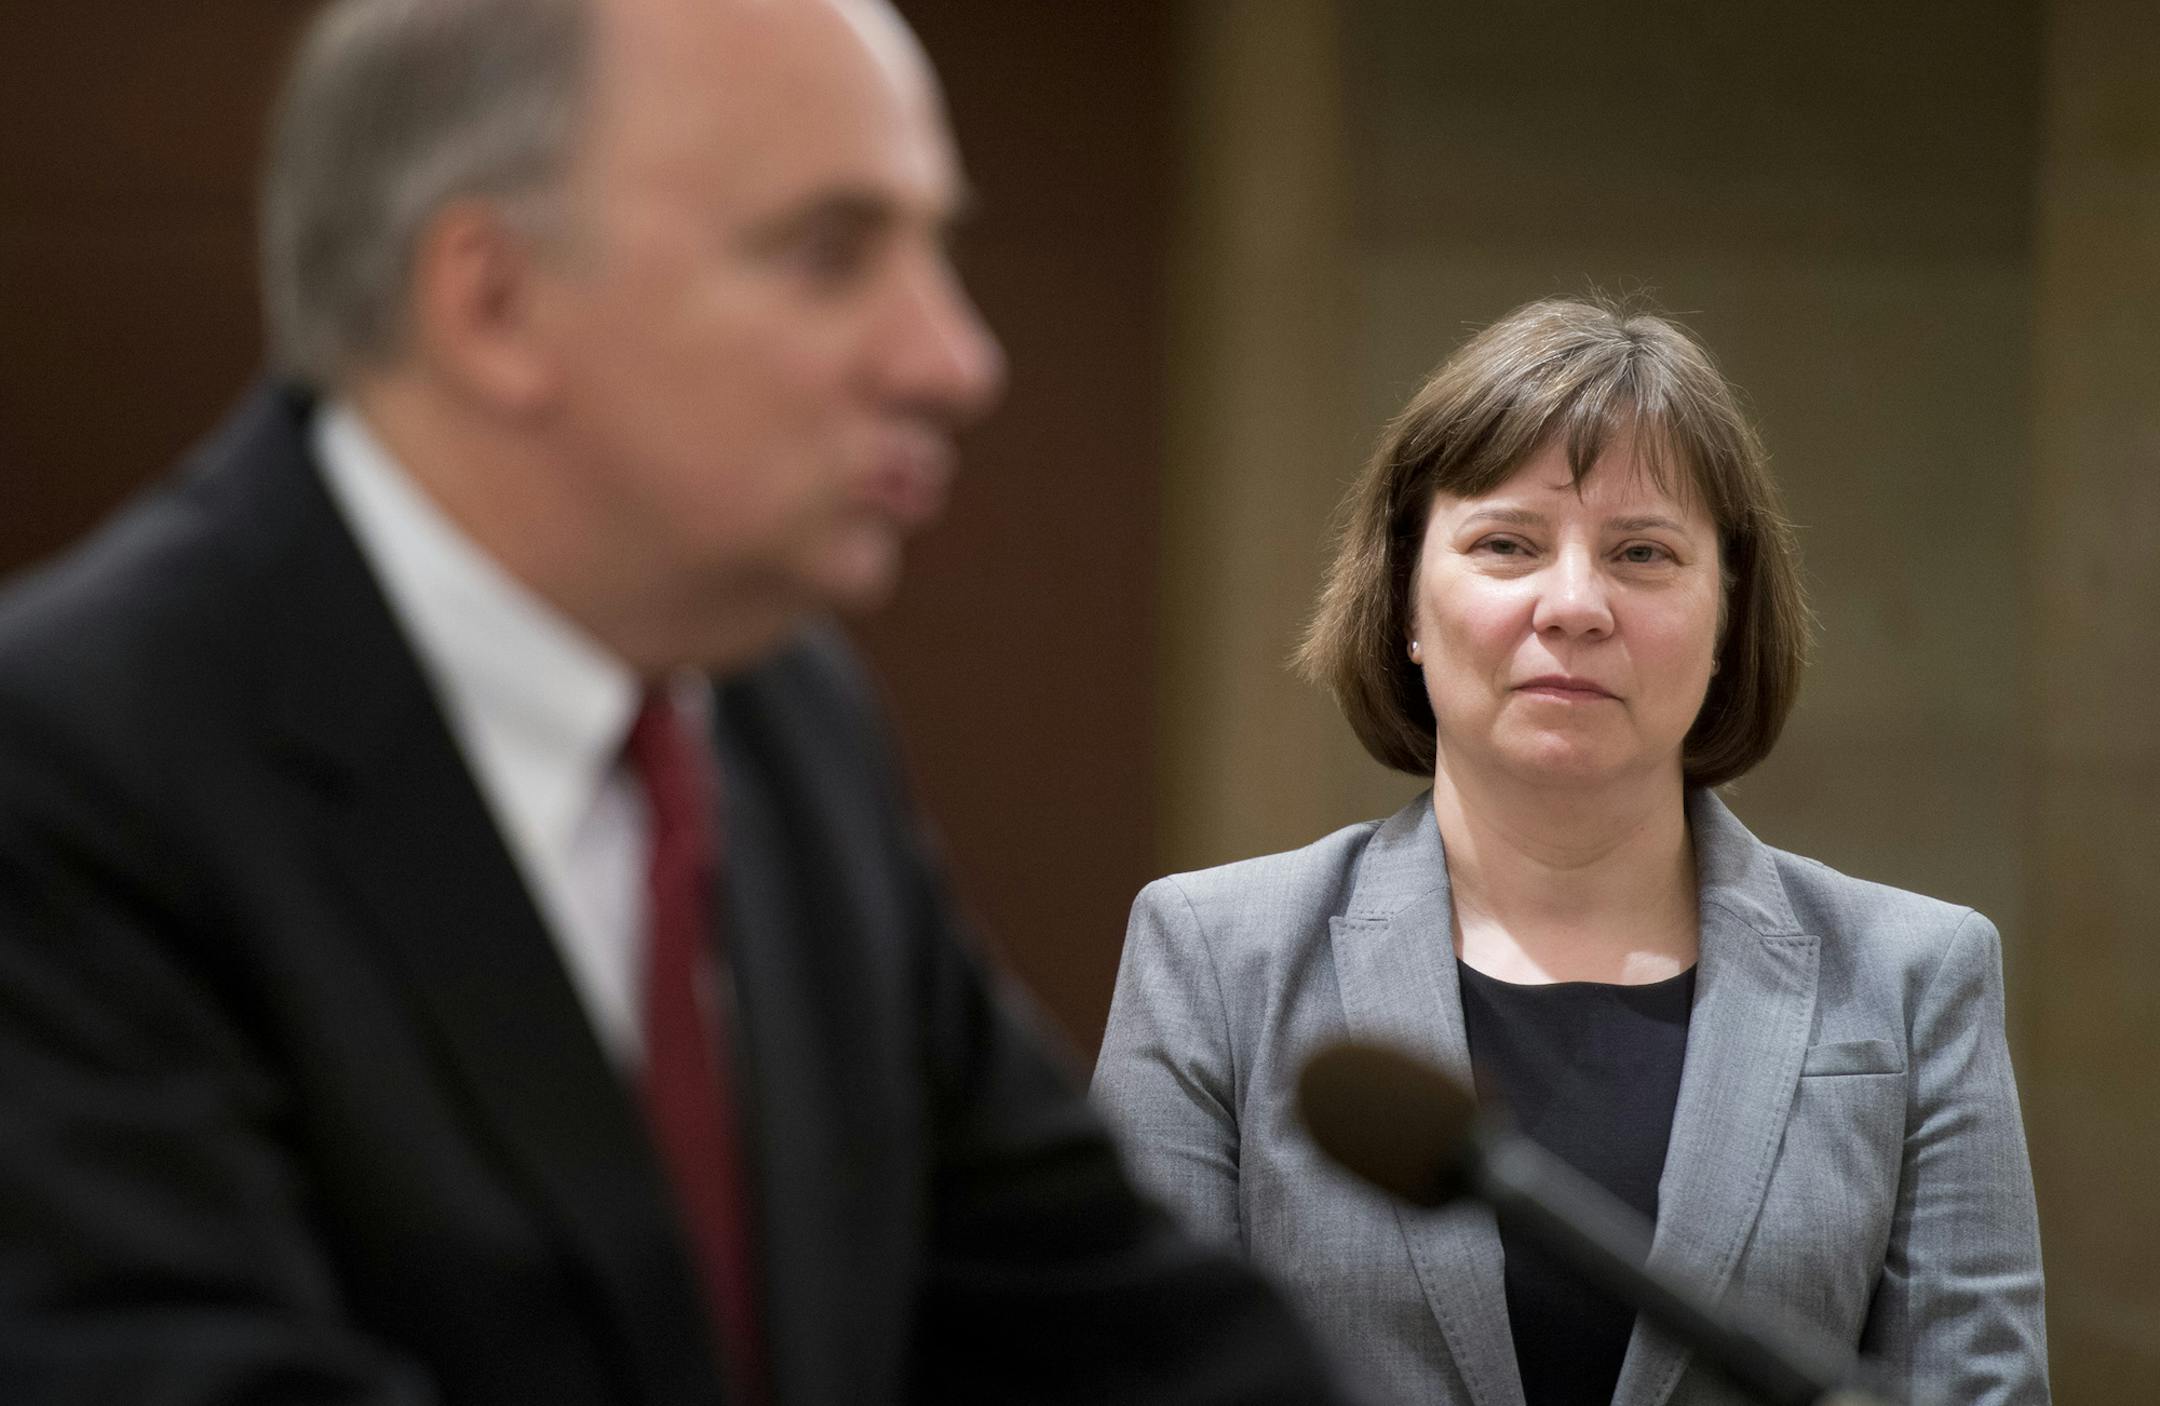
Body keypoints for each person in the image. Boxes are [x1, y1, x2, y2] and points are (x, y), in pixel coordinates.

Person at [0, 0, 1345, 1402]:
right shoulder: (67, 773)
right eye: (834, 252)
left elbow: (1101, 1320)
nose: (953, 359)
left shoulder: (778, 712)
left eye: (934, 248)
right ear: (492, 299)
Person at [1093, 298, 2049, 1406]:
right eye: (1508, 544)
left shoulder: (1916, 974)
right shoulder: (1214, 955)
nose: (1576, 604)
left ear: (1728, 612)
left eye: (1644, 552)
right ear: (1407, 595)